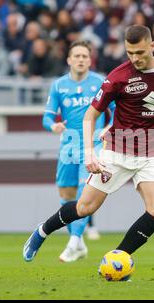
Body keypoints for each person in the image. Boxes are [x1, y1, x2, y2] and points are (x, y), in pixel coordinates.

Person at [23, 25, 154, 263]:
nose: (134, 58)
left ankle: (118, 258)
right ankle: (42, 231)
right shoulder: (117, 77)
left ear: (152, 46)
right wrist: (89, 155)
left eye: (140, 53)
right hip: (117, 151)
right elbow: (90, 116)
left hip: (152, 151)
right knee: (85, 208)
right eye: (129, 53)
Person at [42, 40, 114, 262]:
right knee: (66, 196)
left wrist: (110, 127)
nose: (81, 59)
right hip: (68, 145)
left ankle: (73, 243)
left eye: (85, 56)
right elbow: (46, 116)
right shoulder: (58, 85)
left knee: (85, 193)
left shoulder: (101, 83)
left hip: (93, 146)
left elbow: (117, 110)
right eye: (77, 56)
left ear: (90, 60)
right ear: (69, 60)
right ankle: (79, 242)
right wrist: (53, 126)